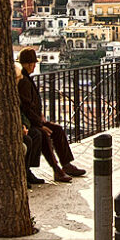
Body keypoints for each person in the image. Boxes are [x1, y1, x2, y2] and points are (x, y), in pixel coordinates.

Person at [17, 48, 86, 182]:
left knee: (57, 130)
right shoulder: (24, 81)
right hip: (31, 123)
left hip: (36, 120)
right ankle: (57, 169)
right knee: (44, 135)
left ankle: (65, 165)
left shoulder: (26, 78)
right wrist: (40, 124)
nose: (35, 66)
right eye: (33, 63)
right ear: (28, 64)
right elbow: (26, 107)